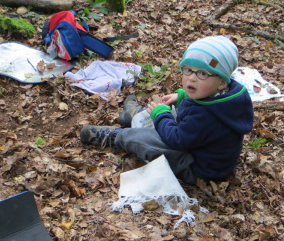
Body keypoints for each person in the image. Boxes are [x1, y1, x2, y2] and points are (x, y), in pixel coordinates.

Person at [80, 36, 254, 185]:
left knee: (147, 138)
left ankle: (120, 136)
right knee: (167, 113)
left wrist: (161, 115)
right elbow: (200, 107)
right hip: (195, 141)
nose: (192, 77)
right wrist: (182, 96)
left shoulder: (206, 117)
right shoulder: (225, 95)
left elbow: (176, 139)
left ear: (222, 81)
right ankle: (133, 115)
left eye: (203, 74)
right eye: (188, 70)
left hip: (197, 167)